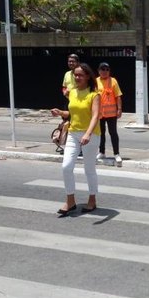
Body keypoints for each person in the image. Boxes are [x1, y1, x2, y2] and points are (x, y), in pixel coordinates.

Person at [51, 63, 100, 215]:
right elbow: (72, 113)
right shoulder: (72, 92)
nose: (77, 77)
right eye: (75, 75)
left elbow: (96, 116)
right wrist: (61, 112)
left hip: (91, 134)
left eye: (80, 75)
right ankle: (70, 200)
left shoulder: (94, 94)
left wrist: (88, 133)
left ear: (87, 77)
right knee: (66, 167)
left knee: (89, 169)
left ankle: (92, 199)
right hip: (73, 133)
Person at [95, 62, 123, 167]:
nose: (104, 71)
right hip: (100, 113)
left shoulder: (113, 81)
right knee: (101, 133)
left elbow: (118, 96)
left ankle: (116, 153)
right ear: (99, 71)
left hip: (111, 113)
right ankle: (102, 152)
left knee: (113, 133)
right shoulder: (95, 81)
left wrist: (119, 109)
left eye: (107, 69)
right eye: (102, 69)